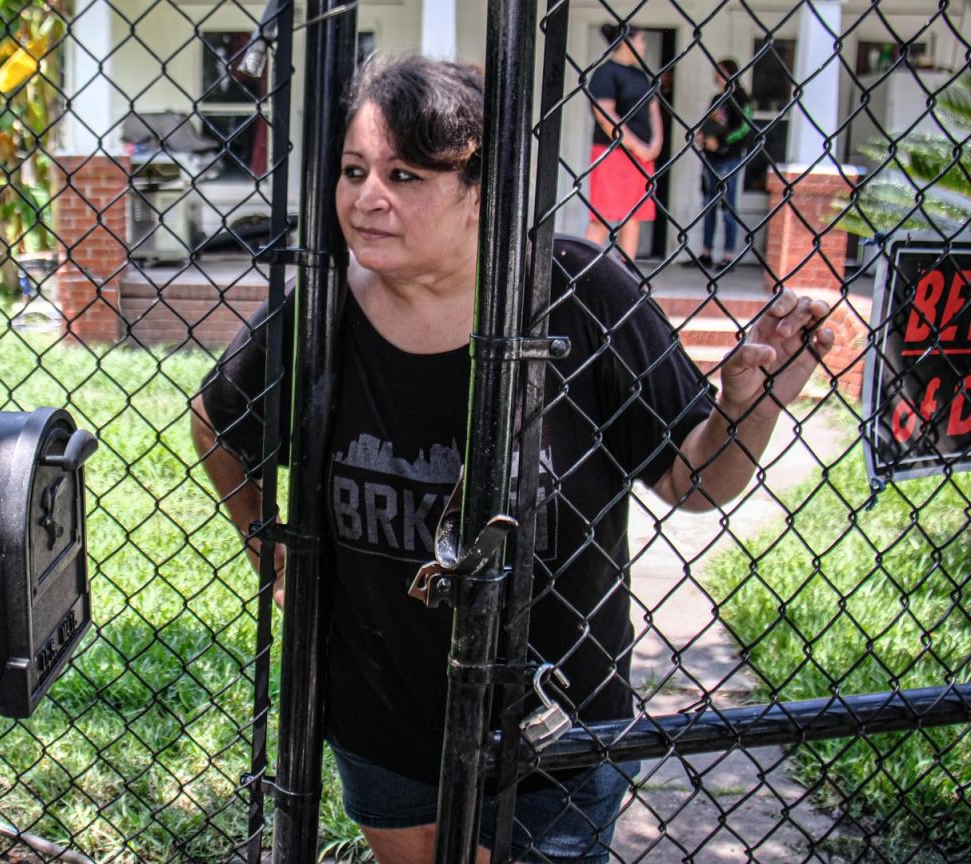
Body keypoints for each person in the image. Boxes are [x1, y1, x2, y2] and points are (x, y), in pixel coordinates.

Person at [190, 55, 835, 864]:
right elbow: (217, 423)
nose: (366, 197)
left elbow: (692, 480)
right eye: (354, 170)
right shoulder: (318, 308)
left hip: (552, 726)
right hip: (377, 714)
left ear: (481, 191)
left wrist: (749, 405)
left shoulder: (582, 290)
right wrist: (268, 546)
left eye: (406, 173)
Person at [584, 24, 662, 262]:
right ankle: (582, 272)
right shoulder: (605, 74)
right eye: (640, 40)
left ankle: (626, 273)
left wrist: (656, 144)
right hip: (613, 153)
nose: (644, 45)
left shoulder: (641, 76)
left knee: (633, 216)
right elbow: (606, 116)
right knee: (602, 216)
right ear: (626, 42)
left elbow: (654, 111)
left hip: (642, 157)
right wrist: (636, 145)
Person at [685, 58, 755, 270]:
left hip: (729, 160)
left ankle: (727, 256)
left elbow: (744, 129)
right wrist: (702, 136)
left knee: (728, 208)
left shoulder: (742, 99)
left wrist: (721, 142)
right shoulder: (717, 98)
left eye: (719, 71)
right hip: (711, 159)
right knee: (709, 205)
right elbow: (711, 122)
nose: (715, 75)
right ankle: (706, 253)